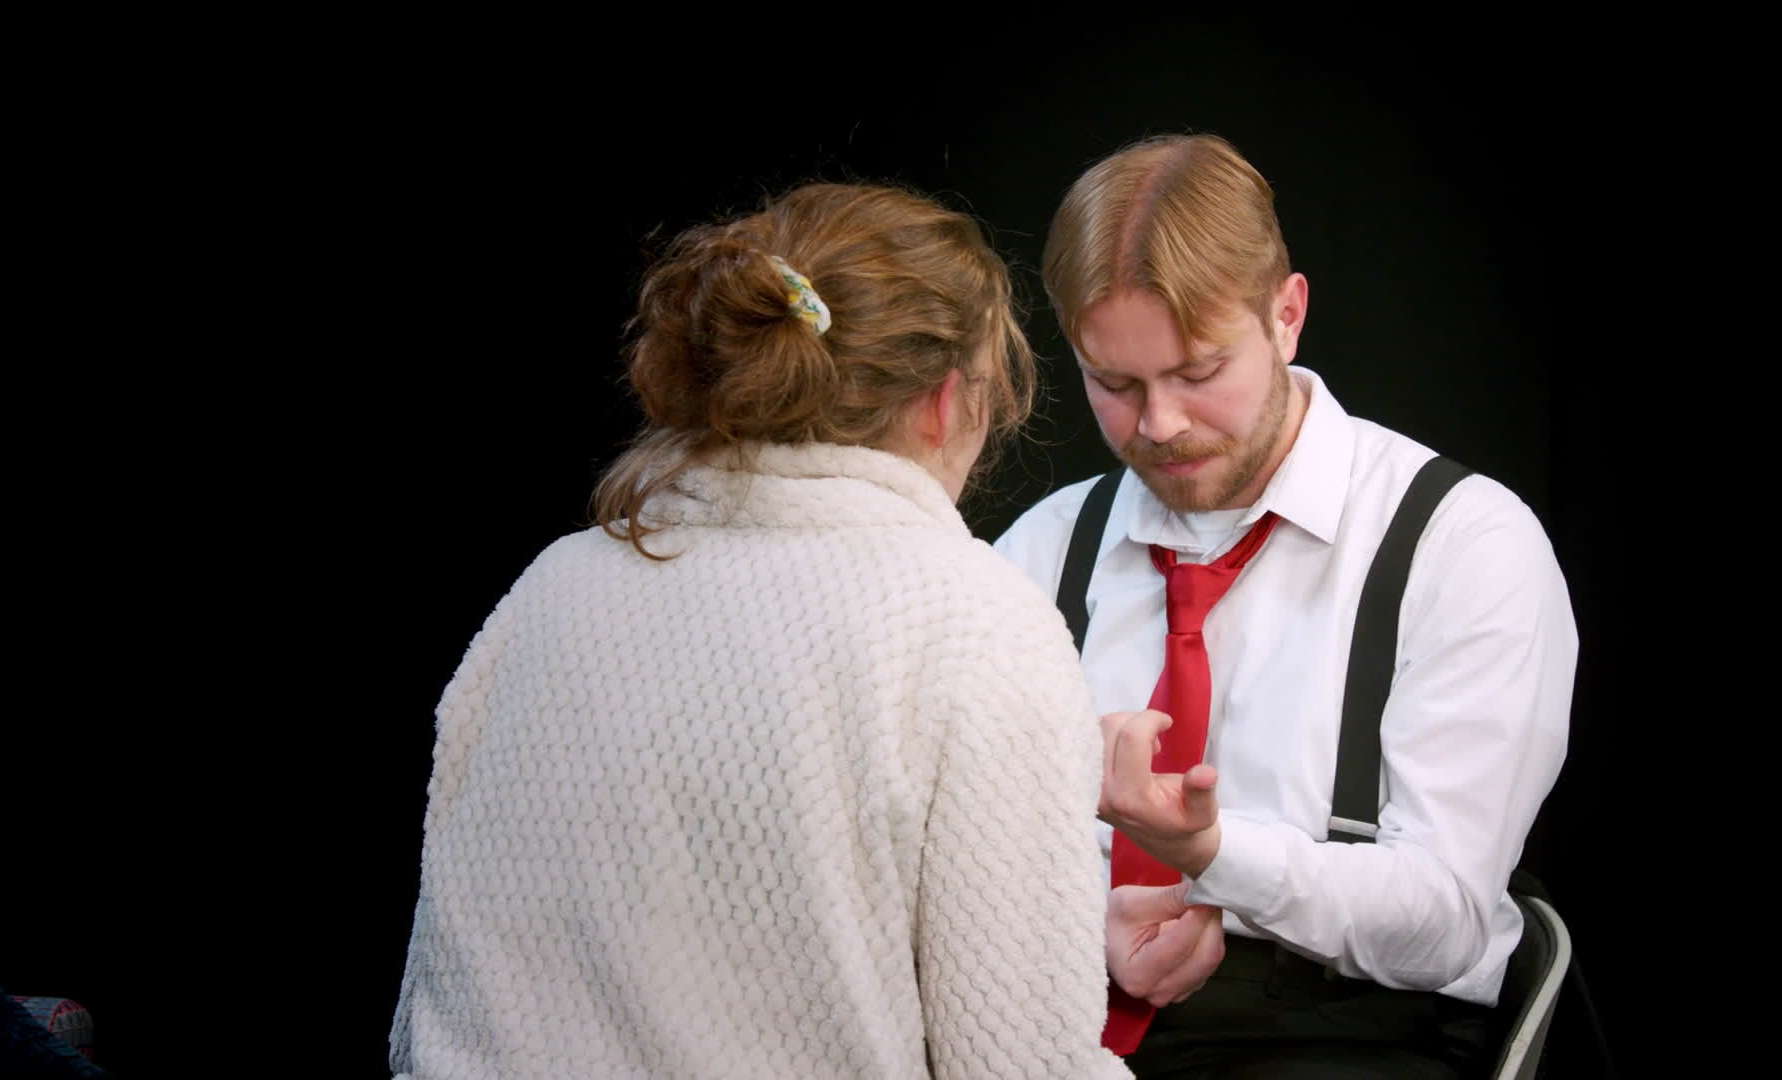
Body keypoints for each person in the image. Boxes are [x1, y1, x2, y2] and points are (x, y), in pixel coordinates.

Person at [387, 182, 1136, 1079]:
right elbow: (1024, 1065)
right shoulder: (976, 622)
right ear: (947, 401)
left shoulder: (551, 585)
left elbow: (443, 985)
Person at [991, 133, 1578, 1078]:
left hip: (1343, 1031)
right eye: (1115, 384)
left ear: (1287, 315)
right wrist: (1081, 922)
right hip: (1054, 1014)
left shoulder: (1465, 544)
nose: (1160, 425)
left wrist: (1216, 854)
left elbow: (1449, 922)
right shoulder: (1042, 548)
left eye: (1198, 373)